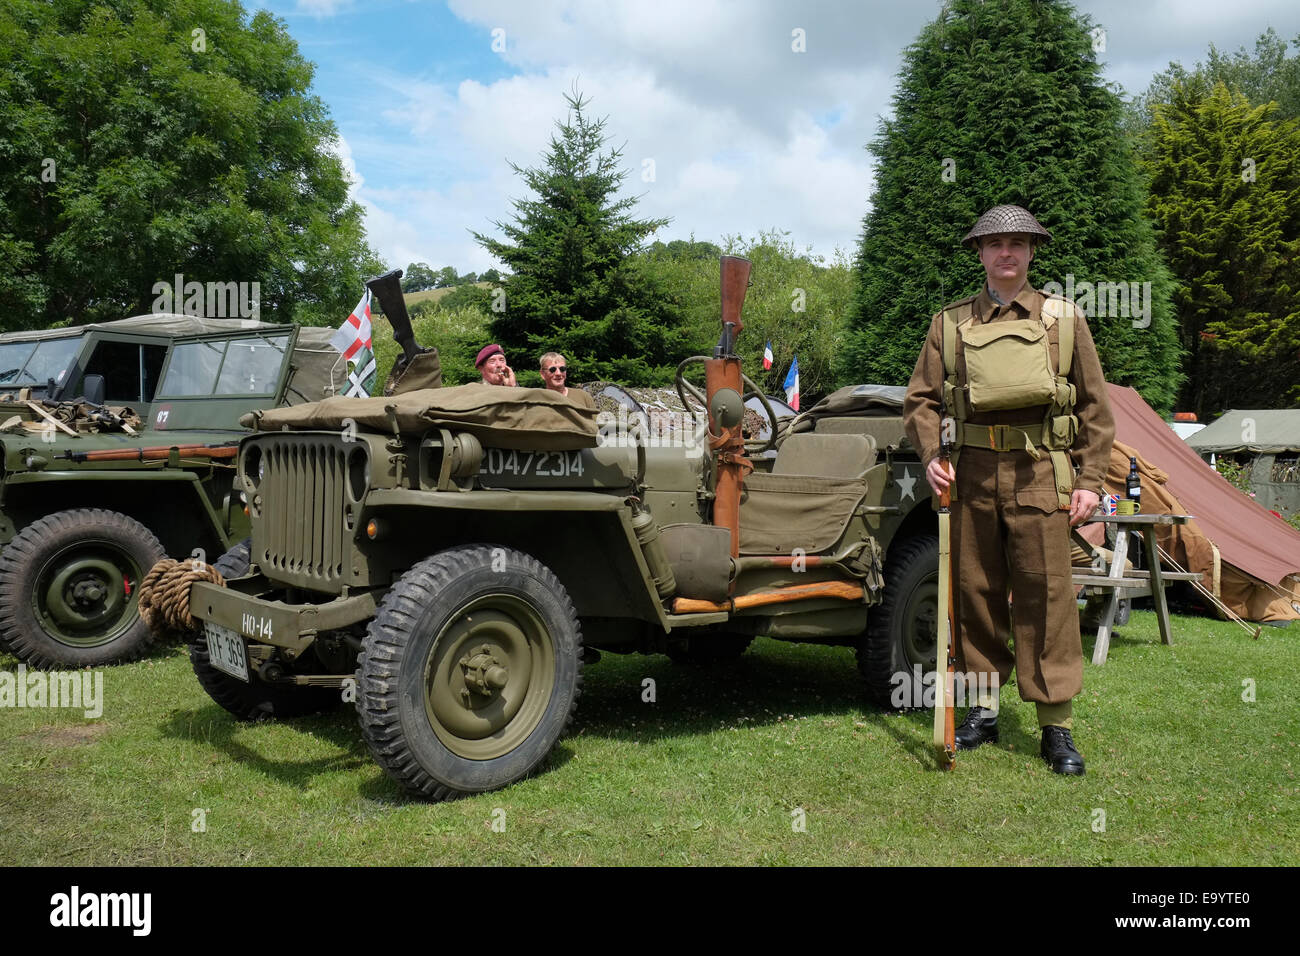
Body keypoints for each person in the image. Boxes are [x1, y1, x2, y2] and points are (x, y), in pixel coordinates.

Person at [902, 204, 1115, 776]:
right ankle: (984, 708)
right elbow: (920, 400)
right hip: (971, 474)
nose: (1006, 254)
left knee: (1046, 597)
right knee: (975, 593)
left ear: (1030, 252)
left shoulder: (1065, 321)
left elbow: (1095, 408)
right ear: (979, 252)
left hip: (1041, 475)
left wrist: (1090, 480)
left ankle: (1056, 725)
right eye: (995, 244)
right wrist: (931, 455)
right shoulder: (948, 324)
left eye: (1017, 244)